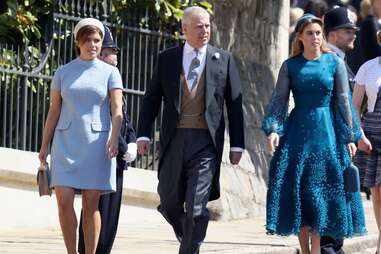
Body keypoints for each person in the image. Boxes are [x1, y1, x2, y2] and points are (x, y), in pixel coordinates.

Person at [136, 6, 245, 254]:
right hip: (175, 139)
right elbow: (151, 98)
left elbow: (235, 105)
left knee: (197, 206)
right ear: (184, 29)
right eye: (199, 26)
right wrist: (143, 133)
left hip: (205, 143)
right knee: (169, 201)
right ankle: (191, 234)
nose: (205, 30)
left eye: (207, 25)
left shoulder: (223, 60)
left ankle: (189, 248)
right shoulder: (167, 59)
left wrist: (237, 145)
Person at [262, 14, 366, 254]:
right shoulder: (291, 65)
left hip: (327, 135)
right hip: (298, 134)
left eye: (318, 33)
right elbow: (279, 100)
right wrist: (274, 130)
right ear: (300, 37)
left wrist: (350, 135)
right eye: (310, 33)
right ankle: (306, 251)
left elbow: (344, 102)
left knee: (319, 192)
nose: (315, 37)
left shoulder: (333, 63)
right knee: (300, 192)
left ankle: (316, 251)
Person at [38, 18, 123, 254]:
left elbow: (117, 109)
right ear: (78, 42)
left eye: (97, 40)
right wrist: (44, 145)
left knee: (90, 204)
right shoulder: (63, 72)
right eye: (88, 40)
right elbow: (54, 110)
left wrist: (114, 138)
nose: (93, 45)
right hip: (65, 144)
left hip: (98, 145)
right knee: (63, 202)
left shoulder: (110, 72)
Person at [77, 25, 137, 254]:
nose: (116, 55)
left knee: (110, 219)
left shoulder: (113, 78)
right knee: (94, 211)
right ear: (102, 53)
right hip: (102, 155)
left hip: (118, 159)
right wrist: (123, 147)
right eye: (112, 50)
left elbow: (124, 117)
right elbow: (105, 118)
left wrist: (130, 140)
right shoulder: (96, 80)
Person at [321, 6, 360, 254]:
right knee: (331, 199)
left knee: (340, 200)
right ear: (332, 34)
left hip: (341, 144)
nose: (353, 34)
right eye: (347, 31)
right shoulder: (329, 62)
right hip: (331, 143)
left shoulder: (340, 62)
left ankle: (333, 246)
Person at [352, 29, 381, 254]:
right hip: (373, 135)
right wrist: (357, 134)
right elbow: (354, 106)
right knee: (377, 191)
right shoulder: (368, 68)